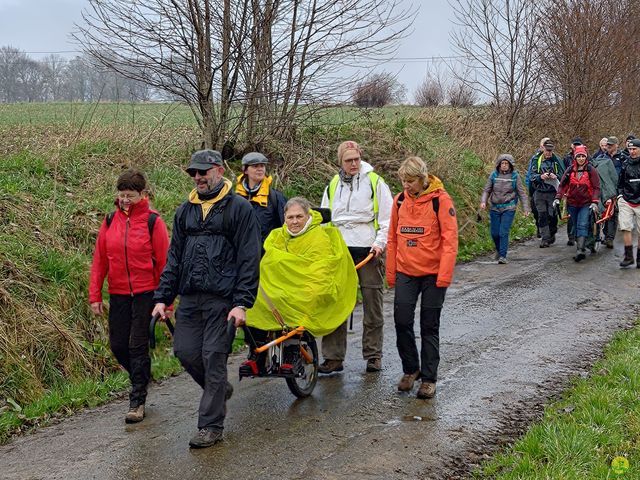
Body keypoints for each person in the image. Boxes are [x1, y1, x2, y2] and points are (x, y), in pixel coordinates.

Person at [151, 149, 261, 448]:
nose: (198, 177)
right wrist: (163, 297)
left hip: (222, 300)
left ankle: (210, 425)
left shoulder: (239, 209)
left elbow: (249, 258)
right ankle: (219, 390)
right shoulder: (185, 210)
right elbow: (174, 259)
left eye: (203, 172)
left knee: (213, 357)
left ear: (219, 171)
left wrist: (241, 302)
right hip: (189, 298)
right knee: (186, 352)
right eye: (193, 173)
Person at [89, 169, 169, 424]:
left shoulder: (153, 222)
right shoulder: (110, 220)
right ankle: (141, 376)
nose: (125, 200)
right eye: (122, 195)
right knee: (118, 345)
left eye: (130, 196)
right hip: (119, 292)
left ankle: (137, 401)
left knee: (136, 345)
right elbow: (100, 259)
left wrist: (165, 301)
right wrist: (95, 296)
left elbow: (165, 264)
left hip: (147, 292)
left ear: (143, 194)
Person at [242, 197, 358, 373]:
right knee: (254, 300)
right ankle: (257, 354)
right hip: (280, 287)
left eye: (299, 216)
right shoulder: (277, 237)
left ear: (308, 215)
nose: (294, 222)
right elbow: (268, 266)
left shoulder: (319, 237)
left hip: (306, 288)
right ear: (284, 218)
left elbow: (322, 270)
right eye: (290, 217)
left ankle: (292, 353)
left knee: (296, 301)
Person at [386, 156, 458, 399]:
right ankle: (411, 369)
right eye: (403, 181)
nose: (406, 186)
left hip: (433, 274)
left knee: (429, 325)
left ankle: (429, 379)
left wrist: (444, 276)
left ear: (422, 179)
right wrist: (391, 271)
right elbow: (392, 238)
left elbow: (450, 241)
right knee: (402, 321)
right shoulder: (399, 202)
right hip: (406, 270)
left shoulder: (441, 201)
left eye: (410, 181)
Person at [319, 140, 393, 374]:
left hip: (368, 250)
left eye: (356, 159)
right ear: (340, 161)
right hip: (341, 251)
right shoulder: (332, 184)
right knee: (336, 303)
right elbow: (325, 219)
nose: (353, 163)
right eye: (348, 160)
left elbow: (387, 219)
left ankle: (373, 355)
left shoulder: (375, 182)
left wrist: (379, 244)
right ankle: (333, 357)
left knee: (373, 303)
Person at [480, 154, 530, 264]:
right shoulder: (494, 175)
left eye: (506, 163)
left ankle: (503, 255)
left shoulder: (515, 176)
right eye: (502, 163)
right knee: (494, 233)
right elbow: (486, 190)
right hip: (494, 207)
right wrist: (483, 201)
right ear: (499, 164)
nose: (504, 165)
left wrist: (526, 208)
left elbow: (522, 193)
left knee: (503, 232)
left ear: (510, 165)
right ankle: (499, 250)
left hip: (509, 207)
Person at [554, 146, 600, 262]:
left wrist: (594, 201)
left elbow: (596, 187)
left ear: (586, 157)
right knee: (575, 225)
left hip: (586, 203)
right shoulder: (570, 170)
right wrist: (558, 197)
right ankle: (585, 244)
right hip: (572, 203)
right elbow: (563, 185)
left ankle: (580, 250)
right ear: (575, 157)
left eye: (582, 156)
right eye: (578, 156)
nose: (580, 158)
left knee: (582, 224)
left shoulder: (591, 170)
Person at [235, 152, 287, 247]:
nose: (260, 169)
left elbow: (286, 227)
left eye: (262, 166)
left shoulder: (275, 198)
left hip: (266, 254)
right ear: (245, 170)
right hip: (239, 253)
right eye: (255, 166)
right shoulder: (235, 198)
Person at [528, 139, 565, 247]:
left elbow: (563, 175)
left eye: (550, 151)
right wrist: (540, 177)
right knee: (542, 215)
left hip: (552, 192)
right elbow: (531, 176)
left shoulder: (557, 160)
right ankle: (545, 238)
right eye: (547, 150)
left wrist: (555, 176)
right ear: (542, 148)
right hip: (539, 191)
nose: (548, 153)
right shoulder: (536, 159)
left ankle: (552, 232)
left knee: (552, 215)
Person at [616, 138, 640, 267]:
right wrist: (620, 196)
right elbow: (620, 182)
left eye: (634, 149)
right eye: (630, 149)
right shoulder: (625, 163)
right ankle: (628, 256)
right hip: (626, 199)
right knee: (625, 227)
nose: (632, 151)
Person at [590, 147, 619, 250]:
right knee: (602, 215)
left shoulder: (604, 163)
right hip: (602, 192)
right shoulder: (604, 162)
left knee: (609, 213)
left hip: (607, 192)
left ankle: (606, 238)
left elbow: (613, 179)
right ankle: (604, 237)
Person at [525, 137, 549, 238]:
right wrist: (529, 185)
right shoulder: (534, 158)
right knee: (536, 210)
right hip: (536, 188)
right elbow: (530, 173)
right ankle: (539, 226)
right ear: (540, 146)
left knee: (548, 211)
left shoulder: (553, 158)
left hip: (549, 189)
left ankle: (546, 231)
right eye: (544, 145)